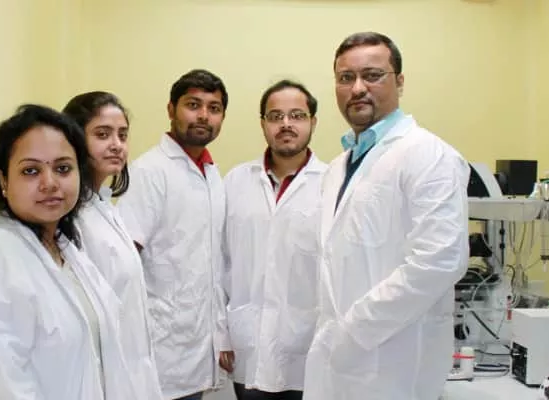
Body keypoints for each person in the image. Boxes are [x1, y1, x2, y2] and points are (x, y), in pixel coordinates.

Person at [303, 32, 470, 400]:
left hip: (394, 366)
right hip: (338, 362)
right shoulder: (338, 167)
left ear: (400, 82)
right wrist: (339, 335)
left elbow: (440, 261)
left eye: (373, 75)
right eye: (346, 78)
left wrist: (354, 329)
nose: (357, 88)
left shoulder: (428, 155)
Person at [0, 104, 140, 399]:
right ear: (4, 181)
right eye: (31, 171)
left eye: (63, 168)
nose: (50, 183)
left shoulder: (64, 248)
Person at [116, 69, 231, 400]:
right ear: (171, 109)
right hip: (159, 348)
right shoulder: (149, 172)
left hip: (197, 346)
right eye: (193, 105)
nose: (203, 115)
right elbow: (124, 262)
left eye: (214, 108)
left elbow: (210, 264)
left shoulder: (211, 174)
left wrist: (220, 334)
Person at [223, 80, 326, 400]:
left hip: (308, 348)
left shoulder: (332, 184)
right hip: (247, 345)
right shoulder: (235, 181)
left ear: (313, 122)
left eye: (297, 115)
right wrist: (220, 333)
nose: (286, 124)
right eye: (275, 116)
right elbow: (220, 261)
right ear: (263, 123)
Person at [63, 91, 164, 399]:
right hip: (102, 376)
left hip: (130, 366)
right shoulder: (71, 218)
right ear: (74, 139)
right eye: (102, 134)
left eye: (122, 135)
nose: (117, 145)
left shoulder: (104, 207)